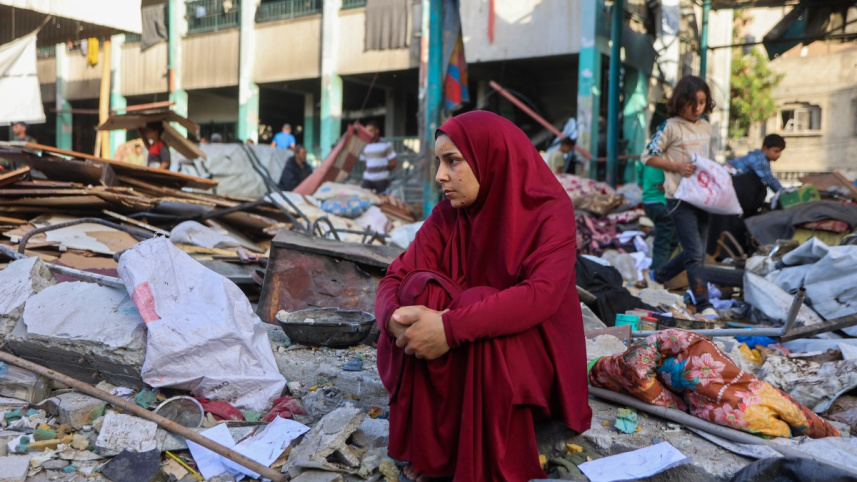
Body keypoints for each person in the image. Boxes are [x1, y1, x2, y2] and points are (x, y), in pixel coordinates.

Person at [375, 111, 592, 481]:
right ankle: (433, 450)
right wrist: (397, 324)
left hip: (532, 359)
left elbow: (540, 295)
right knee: (417, 289)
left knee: (473, 301)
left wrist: (449, 328)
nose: (441, 175)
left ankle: (482, 464)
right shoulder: (447, 216)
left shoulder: (550, 211)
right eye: (439, 162)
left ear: (491, 157)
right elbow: (393, 279)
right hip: (465, 347)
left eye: (453, 161)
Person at [641, 75, 717, 318]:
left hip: (702, 198)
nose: (697, 108)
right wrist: (676, 167)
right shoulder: (669, 126)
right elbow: (647, 156)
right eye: (692, 102)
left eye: (702, 102)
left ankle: (658, 275)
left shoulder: (706, 126)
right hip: (679, 199)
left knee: (695, 252)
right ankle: (704, 304)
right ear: (680, 102)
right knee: (695, 254)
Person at [639, 163, 677, 271]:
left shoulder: (649, 149)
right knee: (664, 243)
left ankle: (663, 272)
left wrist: (648, 187)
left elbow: (639, 175)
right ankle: (657, 275)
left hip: (648, 201)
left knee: (671, 239)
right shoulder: (667, 152)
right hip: (662, 202)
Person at [359, 121, 397, 193]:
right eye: (367, 131)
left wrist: (383, 169)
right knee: (364, 197)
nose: (368, 133)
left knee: (382, 199)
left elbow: (393, 162)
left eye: (371, 130)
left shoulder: (386, 144)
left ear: (377, 131)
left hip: (381, 178)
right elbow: (364, 162)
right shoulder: (364, 145)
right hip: (368, 178)